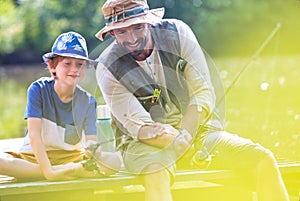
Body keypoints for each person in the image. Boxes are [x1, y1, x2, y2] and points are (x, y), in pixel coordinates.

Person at [95, 0, 290, 201]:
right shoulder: (106, 68)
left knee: (263, 159)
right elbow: (140, 127)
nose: (133, 38)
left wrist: (186, 134)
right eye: (122, 32)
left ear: (149, 23)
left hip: (196, 129)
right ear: (112, 34)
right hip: (141, 141)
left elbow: (203, 93)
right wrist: (177, 143)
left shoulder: (178, 33)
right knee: (157, 174)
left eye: (138, 28)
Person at [0, 31, 121, 181]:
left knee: (115, 161)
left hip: (71, 158)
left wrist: (92, 149)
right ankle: (57, 172)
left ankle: (50, 172)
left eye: (80, 64)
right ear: (52, 66)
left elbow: (91, 140)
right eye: (67, 63)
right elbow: (34, 135)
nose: (74, 69)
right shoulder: (38, 89)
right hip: (34, 156)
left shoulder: (88, 101)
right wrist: (49, 172)